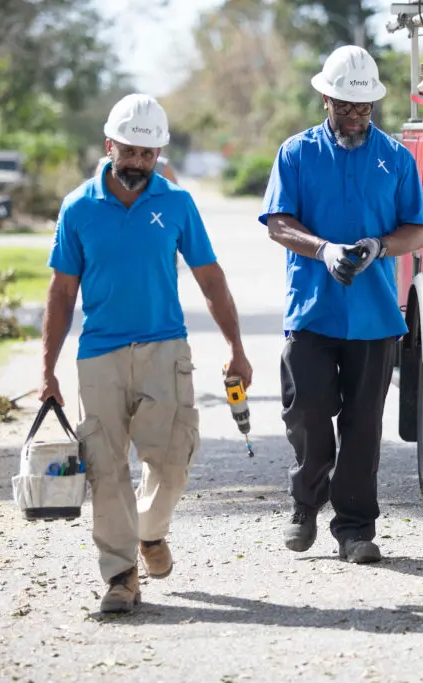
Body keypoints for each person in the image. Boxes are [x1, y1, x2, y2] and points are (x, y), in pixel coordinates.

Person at [40, 93, 252, 613]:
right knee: (106, 470)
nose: (138, 161)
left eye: (148, 153)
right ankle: (120, 576)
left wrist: (237, 347)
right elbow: (61, 292)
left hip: (165, 349)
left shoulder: (177, 203)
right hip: (100, 357)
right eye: (130, 150)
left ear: (160, 153)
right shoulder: (78, 207)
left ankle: (151, 533)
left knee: (174, 456)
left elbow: (212, 280)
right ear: (109, 144)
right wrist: (47, 370)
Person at [258, 45, 423, 565]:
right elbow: (278, 223)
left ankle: (355, 530)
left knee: (362, 426)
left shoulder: (396, 158)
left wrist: (380, 246)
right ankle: (304, 503)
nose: (355, 117)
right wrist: (324, 249)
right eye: (345, 106)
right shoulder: (296, 153)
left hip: (375, 317)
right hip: (312, 312)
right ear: (325, 99)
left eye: (364, 108)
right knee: (308, 413)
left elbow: (418, 229)